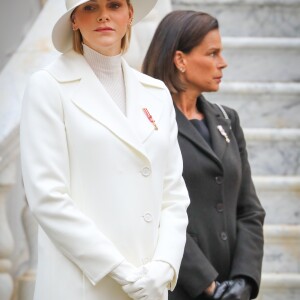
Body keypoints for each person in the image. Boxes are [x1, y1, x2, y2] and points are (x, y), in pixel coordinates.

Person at [20, 1, 190, 300]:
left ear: (130, 14)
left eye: (114, 4)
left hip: (148, 285)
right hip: (83, 284)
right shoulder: (48, 87)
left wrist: (164, 266)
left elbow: (174, 194)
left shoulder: (156, 93)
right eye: (89, 7)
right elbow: (48, 197)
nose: (103, 15)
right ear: (74, 19)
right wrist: (122, 272)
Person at [143, 10, 265, 300]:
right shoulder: (147, 123)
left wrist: (244, 280)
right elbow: (152, 215)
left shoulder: (227, 120)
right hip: (176, 287)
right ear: (180, 59)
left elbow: (249, 210)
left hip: (231, 290)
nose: (222, 63)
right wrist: (208, 285)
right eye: (212, 53)